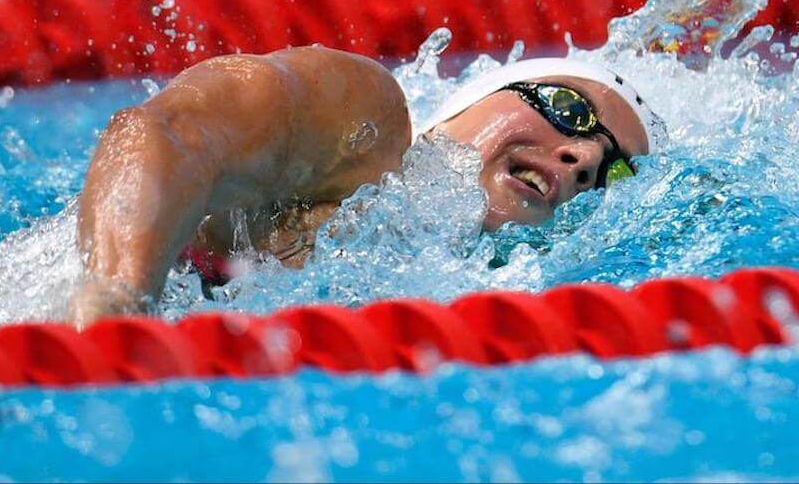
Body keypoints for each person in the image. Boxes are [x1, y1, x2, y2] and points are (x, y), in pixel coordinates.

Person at [71, 46, 664, 325]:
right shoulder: (366, 128)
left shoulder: (478, 306)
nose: (584, 155)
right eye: (569, 108)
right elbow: (170, 134)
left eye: (613, 171)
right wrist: (116, 307)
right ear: (466, 106)